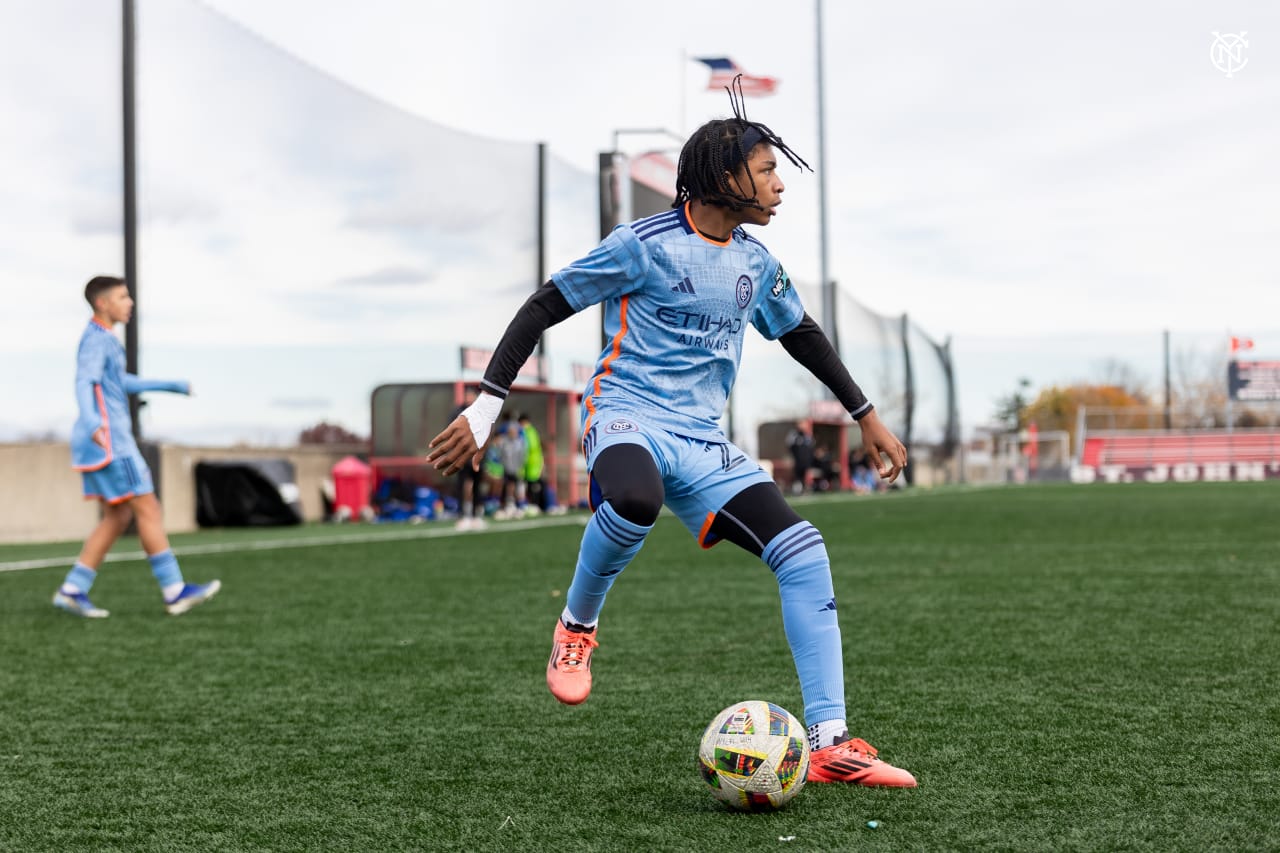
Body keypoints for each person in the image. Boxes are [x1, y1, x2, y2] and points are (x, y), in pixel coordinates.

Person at [427, 80, 915, 787]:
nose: (780, 185)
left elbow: (801, 334)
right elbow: (542, 306)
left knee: (805, 551)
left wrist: (865, 413)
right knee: (633, 500)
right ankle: (576, 627)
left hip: (702, 438)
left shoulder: (756, 263)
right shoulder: (643, 246)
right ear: (725, 176)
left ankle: (832, 743)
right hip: (625, 413)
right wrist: (487, 403)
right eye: (768, 170)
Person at [54, 275, 221, 618]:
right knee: (149, 509)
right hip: (112, 444)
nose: (129, 303)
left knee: (118, 516)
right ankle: (175, 591)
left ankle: (72, 589)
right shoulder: (97, 340)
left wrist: (171, 385)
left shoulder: (105, 339)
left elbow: (119, 381)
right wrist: (92, 422)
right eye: (122, 296)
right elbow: (84, 381)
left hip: (103, 442)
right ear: (103, 303)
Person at [450, 386, 487, 531]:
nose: (469, 398)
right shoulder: (458, 413)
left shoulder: (481, 413)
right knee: (462, 486)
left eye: (472, 396)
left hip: (478, 457)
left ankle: (476, 515)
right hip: (462, 457)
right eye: (467, 396)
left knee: (478, 487)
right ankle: (462, 516)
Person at [517, 412, 547, 514]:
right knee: (532, 485)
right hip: (532, 463)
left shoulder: (528, 431)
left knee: (533, 485)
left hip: (532, 464)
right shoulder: (531, 431)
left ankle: (535, 505)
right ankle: (534, 505)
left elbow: (529, 447)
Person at [786, 419, 815, 494]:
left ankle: (804, 489)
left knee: (804, 475)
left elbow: (811, 448)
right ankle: (797, 490)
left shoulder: (807, 436)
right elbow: (790, 446)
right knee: (797, 476)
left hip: (806, 461)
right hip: (797, 460)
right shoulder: (793, 435)